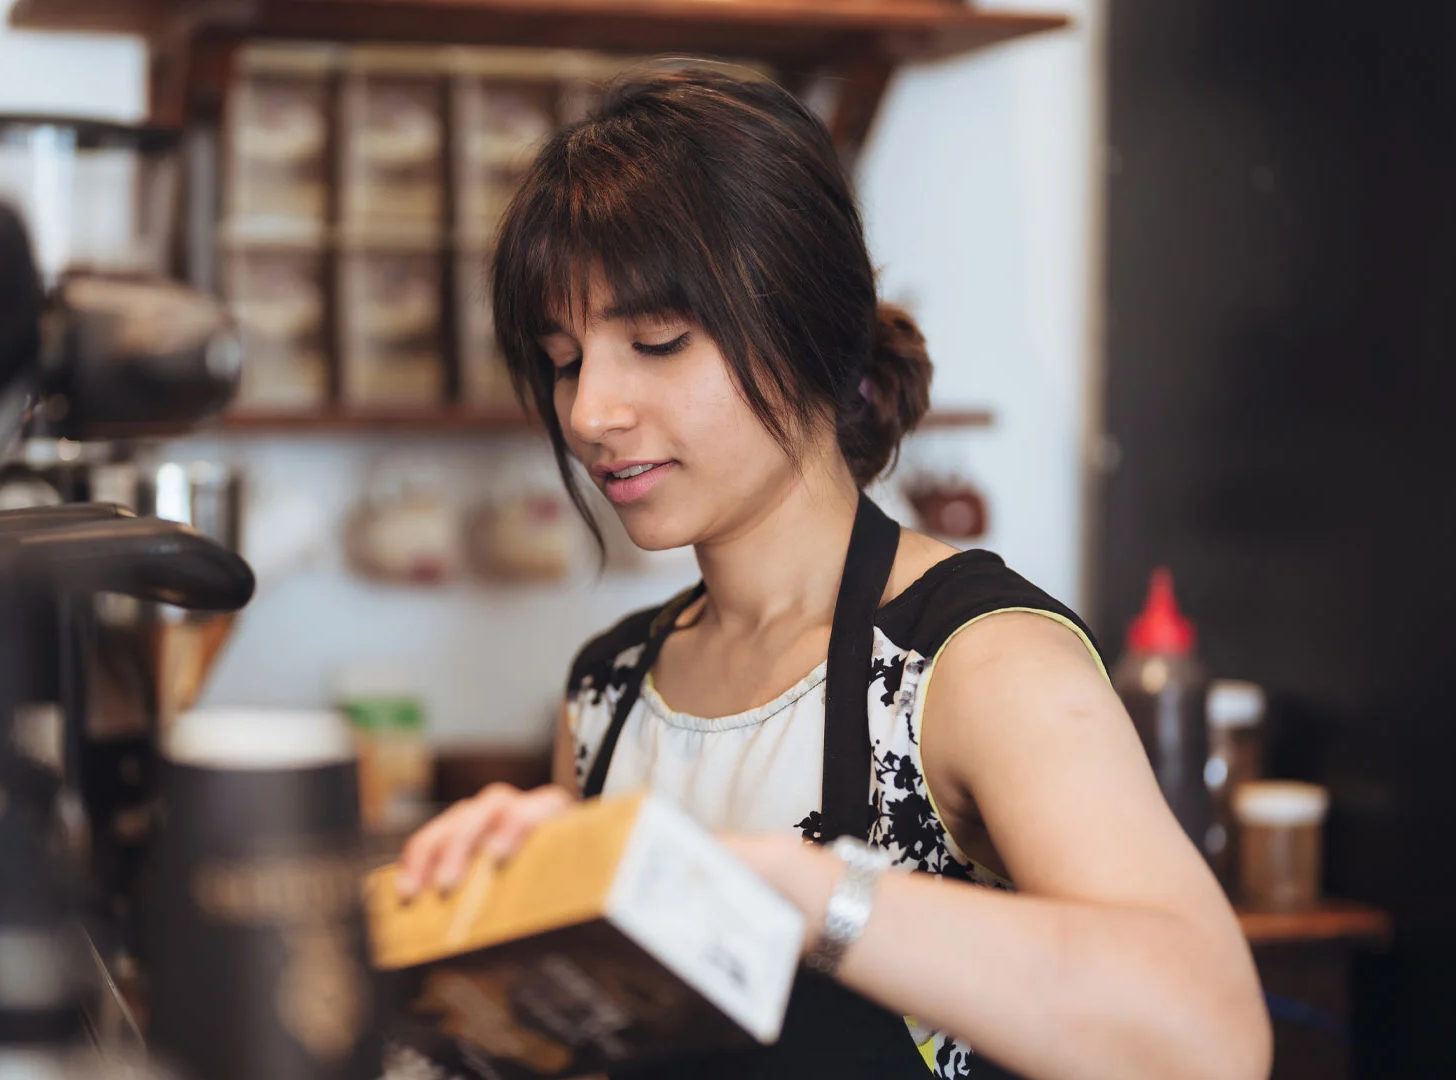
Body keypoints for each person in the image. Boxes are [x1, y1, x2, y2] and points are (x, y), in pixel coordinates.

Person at [394, 64, 1268, 1080]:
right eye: (563, 359)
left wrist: (800, 893)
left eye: (656, 341)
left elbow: (1210, 1037)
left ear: (807, 333)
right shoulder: (610, 691)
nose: (590, 413)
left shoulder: (975, 665)